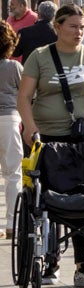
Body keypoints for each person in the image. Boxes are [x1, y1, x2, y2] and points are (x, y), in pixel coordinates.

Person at [15, 3, 84, 287]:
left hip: (82, 138)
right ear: (57, 27)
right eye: (72, 26)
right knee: (47, 199)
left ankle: (83, 263)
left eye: (82, 27)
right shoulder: (40, 57)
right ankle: (50, 258)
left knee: (82, 198)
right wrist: (30, 127)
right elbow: (24, 97)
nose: (79, 32)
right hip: (46, 139)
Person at [1, 21, 22, 241]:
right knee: (13, 174)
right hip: (9, 118)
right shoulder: (14, 67)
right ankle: (11, 224)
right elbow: (26, 92)